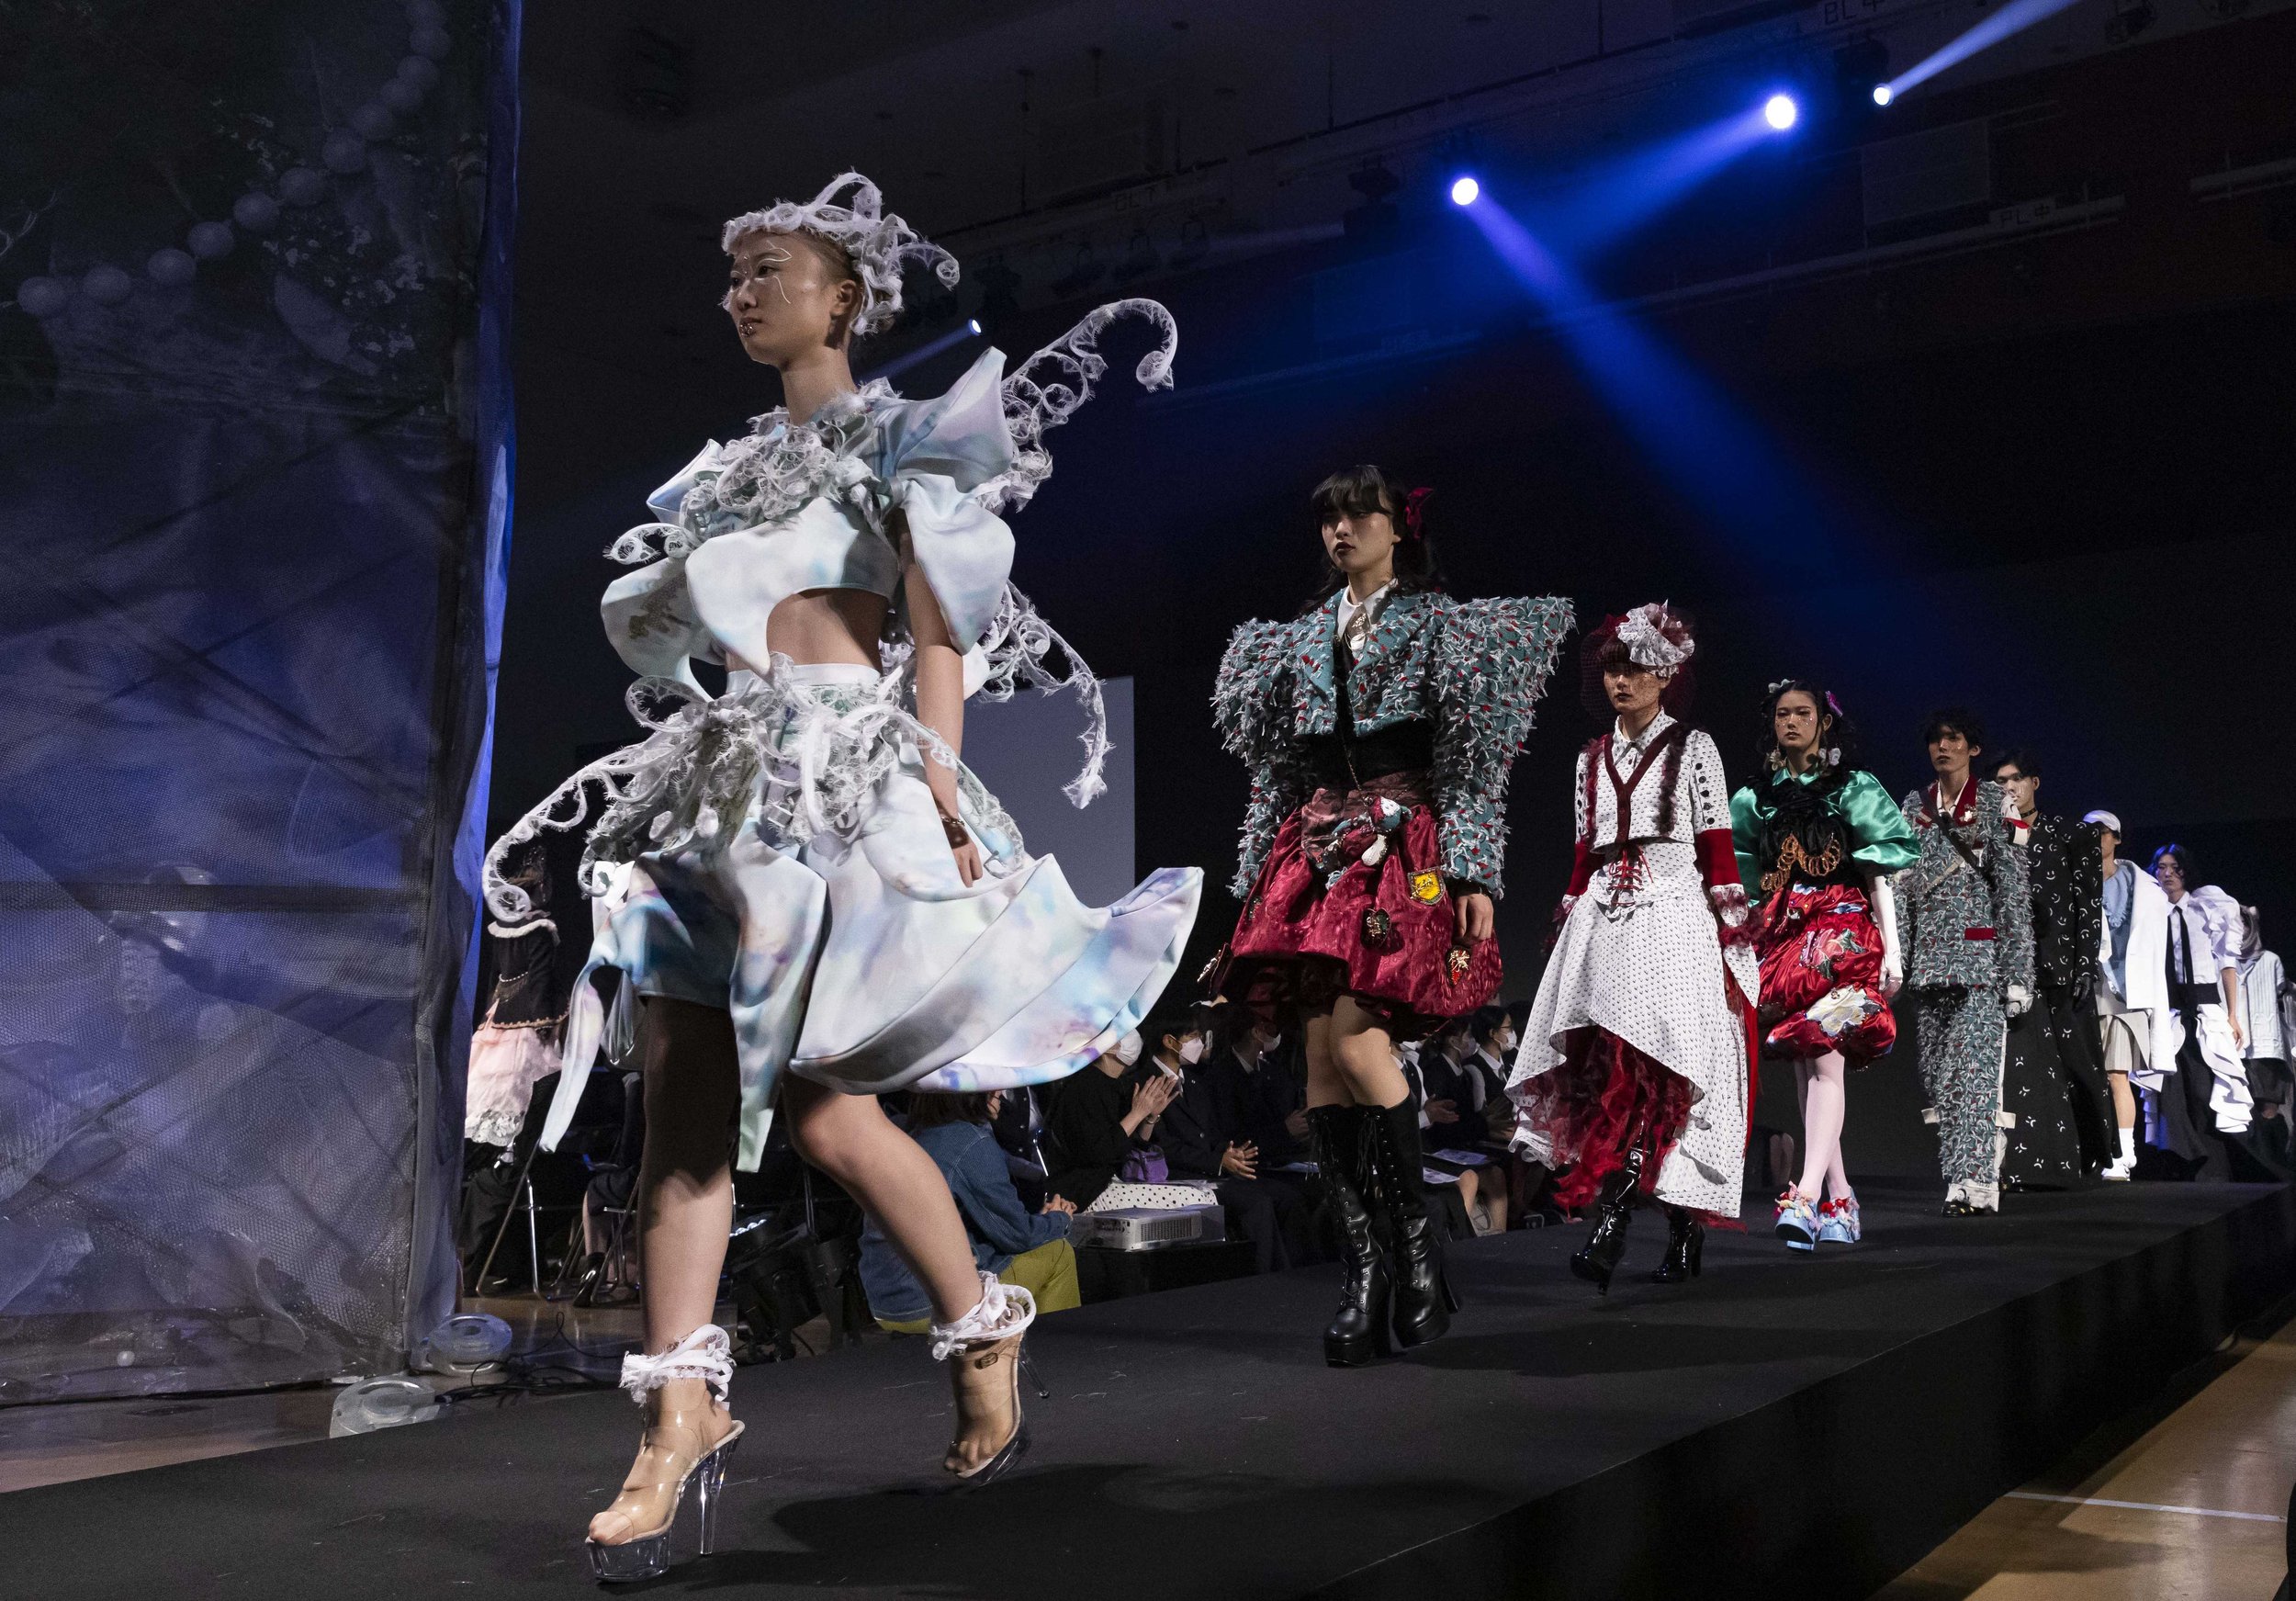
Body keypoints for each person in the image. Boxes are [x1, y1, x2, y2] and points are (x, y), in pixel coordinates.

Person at [480, 174, 1202, 1578]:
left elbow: (938, 630)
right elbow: (700, 632)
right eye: (732, 275)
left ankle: (982, 1324)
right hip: (724, 780)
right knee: (684, 1095)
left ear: (845, 297)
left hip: (846, 774)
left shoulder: (903, 438)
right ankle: (677, 1413)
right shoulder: (719, 472)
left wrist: (937, 780)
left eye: (769, 269)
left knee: (827, 1116)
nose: (741, 294)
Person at [1210, 466, 1571, 1363]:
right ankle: (1367, 1272)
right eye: (1328, 517)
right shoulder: (1289, 642)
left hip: (1404, 849)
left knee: (1360, 1044)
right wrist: (1252, 895)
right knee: (1320, 1064)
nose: (1341, 530)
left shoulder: (1443, 628)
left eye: (1357, 514)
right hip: (1313, 856)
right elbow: (1276, 782)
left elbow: (1471, 767)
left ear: (1397, 526)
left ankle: (1413, 1252)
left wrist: (1474, 874)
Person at [1510, 603, 1761, 1293]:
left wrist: (1732, 935)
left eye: (1636, 669)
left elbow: (1717, 849)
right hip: (1605, 917)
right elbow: (1579, 851)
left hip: (1673, 911)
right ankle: (1630, 1222)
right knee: (1608, 1072)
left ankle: (1633, 1225)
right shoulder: (1590, 756)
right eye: (1612, 670)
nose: (1621, 681)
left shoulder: (1694, 748)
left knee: (1664, 1069)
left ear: (1666, 675)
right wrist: (1568, 918)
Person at [1728, 681, 1916, 1251]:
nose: (1791, 722)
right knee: (1805, 1064)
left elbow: (1878, 873)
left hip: (1842, 935)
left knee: (1825, 1058)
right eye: (1782, 714)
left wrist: (1894, 950)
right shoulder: (1755, 798)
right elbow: (1745, 883)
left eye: (1803, 713)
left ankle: (1806, 1196)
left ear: (1823, 721)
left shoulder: (1852, 787)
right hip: (1784, 938)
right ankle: (1841, 1199)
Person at [1898, 708, 2032, 1216]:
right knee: (1940, 1079)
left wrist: (2018, 974)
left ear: (1972, 748)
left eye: (1953, 739)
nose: (1943, 747)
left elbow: (2013, 891)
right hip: (1927, 965)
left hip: (1980, 961)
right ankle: (1966, 1166)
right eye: (1935, 739)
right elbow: (1901, 890)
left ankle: (1973, 1183)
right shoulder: (1914, 807)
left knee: (1974, 1074)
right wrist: (1898, 961)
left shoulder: (1997, 803)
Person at [860, 1092, 1083, 1333]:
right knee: (1057, 1253)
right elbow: (1018, 1237)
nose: (1000, 1093)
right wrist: (1059, 1219)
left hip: (884, 1301)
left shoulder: (911, 1132)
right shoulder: (969, 1141)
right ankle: (1057, 1349)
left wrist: (1041, 1222)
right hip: (928, 1302)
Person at [1992, 750, 2111, 1184]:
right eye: (2000, 782)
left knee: (2079, 1064)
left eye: (2016, 779)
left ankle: (2094, 1149)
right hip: (2013, 971)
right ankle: (2027, 1164)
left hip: (2062, 966)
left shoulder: (2071, 833)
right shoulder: (1993, 837)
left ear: (2034, 782)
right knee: (2024, 1070)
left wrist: (2085, 965)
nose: (2009, 788)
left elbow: (2089, 903)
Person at [1154, 1004, 1318, 1272]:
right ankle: (1265, 1278)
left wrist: (1231, 1153)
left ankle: (1297, 1272)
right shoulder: (1152, 1082)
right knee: (1257, 1203)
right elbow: (1165, 1146)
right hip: (1184, 1174)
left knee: (1286, 1196)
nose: (1199, 1042)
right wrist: (1219, 1161)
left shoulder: (1193, 1082)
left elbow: (1213, 1132)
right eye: (1193, 1036)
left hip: (1217, 1167)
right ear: (1170, 1041)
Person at [2149, 844, 2254, 1178]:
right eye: (2161, 867)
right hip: (2168, 1011)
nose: (2167, 873)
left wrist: (2232, 1014)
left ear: (2186, 871)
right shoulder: (2152, 913)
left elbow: (2227, 963)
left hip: (2205, 1009)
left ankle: (2216, 1165)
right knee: (2170, 1090)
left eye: (2174, 867)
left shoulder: (2206, 907)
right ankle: (2180, 1163)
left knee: (2206, 1086)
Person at [2085, 810, 2173, 1180]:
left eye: (2102, 832)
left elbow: (2154, 945)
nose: (2095, 838)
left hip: (2125, 994)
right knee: (2087, 1077)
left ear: (2117, 838)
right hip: (2088, 991)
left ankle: (2123, 1153)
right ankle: (2095, 1149)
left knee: (2116, 1074)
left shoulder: (2143, 887)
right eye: (2088, 832)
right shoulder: (2076, 879)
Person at [1040, 1032, 1176, 1211]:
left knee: (1202, 1195)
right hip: (1086, 1191)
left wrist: (1149, 1117)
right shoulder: (1084, 1085)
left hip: (1114, 1182)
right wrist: (1137, 1114)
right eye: (1123, 1033)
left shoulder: (1117, 1085)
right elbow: (1098, 1153)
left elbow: (1129, 1148)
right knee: (1197, 1199)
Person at [2237, 907, 2293, 1171]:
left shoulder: (2271, 960)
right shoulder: (2222, 961)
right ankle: (2256, 1169)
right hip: (2236, 1048)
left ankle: (2279, 1168)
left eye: (2244, 925)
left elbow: (2283, 994)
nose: (2239, 931)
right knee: (2242, 1111)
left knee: (2268, 1109)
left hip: (2267, 1046)